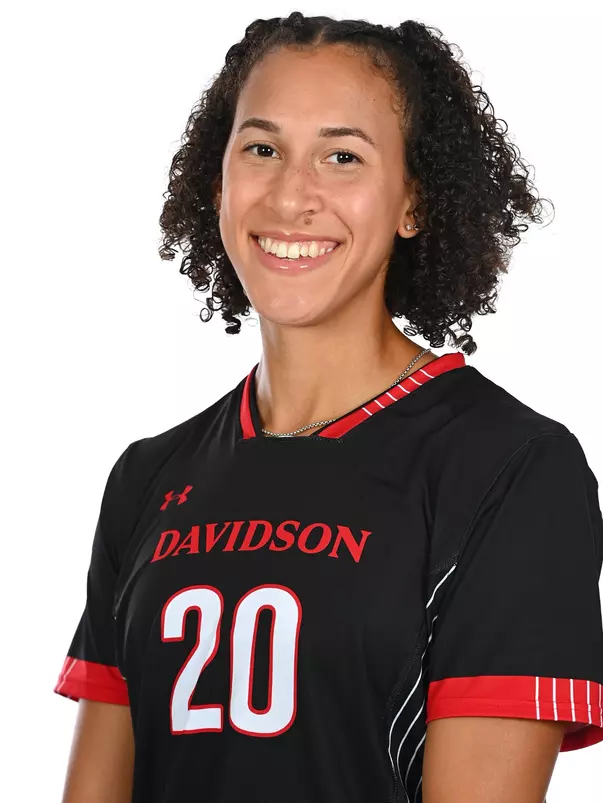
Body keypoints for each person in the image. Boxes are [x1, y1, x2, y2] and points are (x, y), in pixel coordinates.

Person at [54, 12, 603, 803]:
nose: (290, 194)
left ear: (414, 200)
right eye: (262, 149)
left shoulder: (510, 467)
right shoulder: (147, 476)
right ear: (219, 181)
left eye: (341, 156)